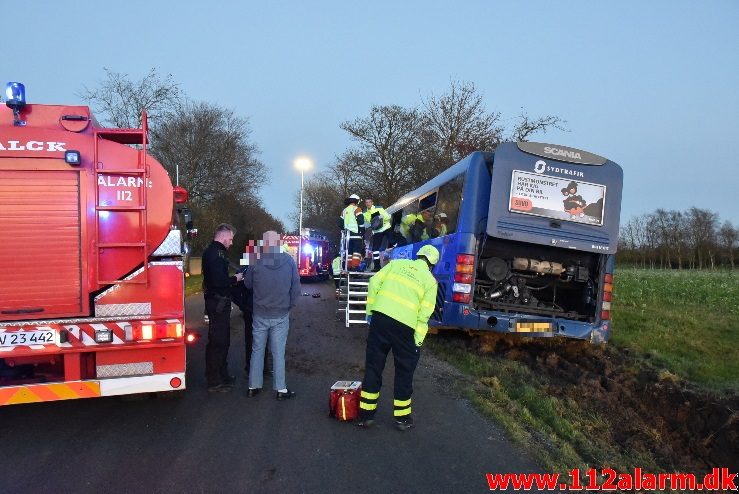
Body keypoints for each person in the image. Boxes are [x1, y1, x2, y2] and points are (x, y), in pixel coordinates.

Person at [357, 245, 440, 430]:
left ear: (417, 256)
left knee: (373, 367)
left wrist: (370, 312)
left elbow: (373, 283)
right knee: (404, 373)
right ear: (433, 265)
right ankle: (402, 419)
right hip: (405, 328)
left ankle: (365, 416)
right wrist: (417, 342)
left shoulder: (396, 264)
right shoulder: (430, 281)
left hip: (380, 320)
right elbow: (423, 316)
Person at [244, 231, 301, 400]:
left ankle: (253, 387)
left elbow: (247, 284)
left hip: (260, 313)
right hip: (281, 314)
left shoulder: (256, 260)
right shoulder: (289, 261)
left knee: (257, 350)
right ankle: (280, 389)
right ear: (279, 243)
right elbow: (296, 289)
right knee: (278, 353)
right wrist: (288, 306)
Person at [202, 223, 243, 392]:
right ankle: (214, 381)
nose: (232, 243)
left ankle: (222, 375)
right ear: (223, 236)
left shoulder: (216, 252)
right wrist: (236, 279)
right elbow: (219, 282)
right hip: (217, 303)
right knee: (218, 342)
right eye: (231, 239)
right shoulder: (214, 254)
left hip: (220, 303)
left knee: (223, 341)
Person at [363, 197, 392, 271]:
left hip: (385, 228)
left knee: (393, 241)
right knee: (375, 249)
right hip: (376, 231)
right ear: (365, 204)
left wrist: (381, 217)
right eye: (367, 202)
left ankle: (399, 257)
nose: (368, 204)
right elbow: (366, 224)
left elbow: (388, 216)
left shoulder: (378, 208)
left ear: (372, 203)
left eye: (369, 202)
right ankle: (377, 266)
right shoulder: (365, 213)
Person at [339, 194, 365, 269]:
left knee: (349, 251)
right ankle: (355, 266)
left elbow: (340, 223)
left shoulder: (344, 210)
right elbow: (360, 220)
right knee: (357, 251)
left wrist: (344, 229)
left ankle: (349, 266)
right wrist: (362, 230)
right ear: (356, 201)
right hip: (356, 234)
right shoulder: (357, 209)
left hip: (347, 235)